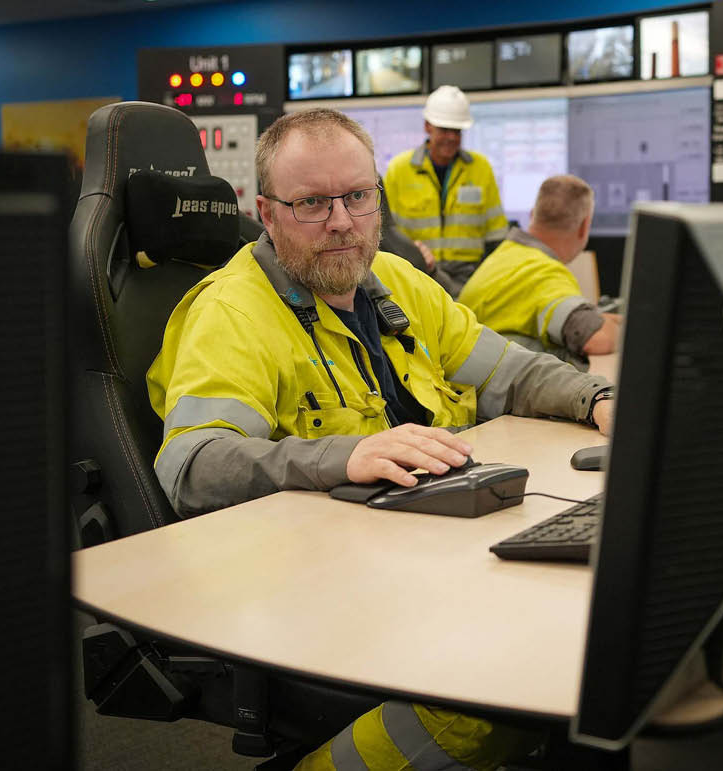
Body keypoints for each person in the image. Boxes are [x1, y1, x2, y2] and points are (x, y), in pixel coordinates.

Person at [146, 108, 613, 770]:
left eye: (357, 197)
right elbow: (194, 465)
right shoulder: (230, 313)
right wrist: (342, 454)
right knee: (496, 689)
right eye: (311, 202)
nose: (340, 221)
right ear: (267, 212)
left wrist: (596, 397)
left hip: (428, 557)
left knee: (583, 630)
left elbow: (511, 371)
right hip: (319, 594)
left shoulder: (397, 284)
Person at [457, 175, 622, 369]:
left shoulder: (504, 256)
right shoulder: (544, 272)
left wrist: (600, 316)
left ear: (532, 214)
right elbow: (596, 339)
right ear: (584, 227)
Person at [382, 85, 508, 293]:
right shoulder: (399, 169)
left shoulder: (480, 168)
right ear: (427, 127)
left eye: (457, 131)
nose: (451, 138)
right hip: (417, 275)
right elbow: (388, 234)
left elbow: (496, 235)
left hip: (469, 280)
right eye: (444, 130)